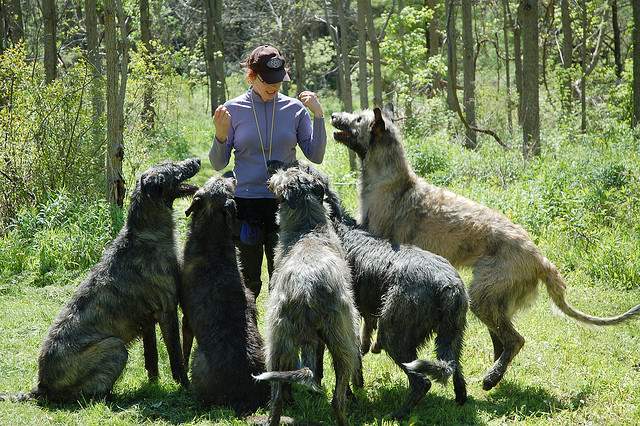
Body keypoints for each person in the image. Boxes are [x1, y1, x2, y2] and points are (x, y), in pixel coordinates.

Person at [209, 44, 326, 299]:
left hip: (285, 204)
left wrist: (318, 116)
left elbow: (315, 155)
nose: (274, 87)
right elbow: (218, 164)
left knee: (284, 278)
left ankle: (281, 336)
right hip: (246, 205)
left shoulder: (295, 110)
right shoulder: (233, 109)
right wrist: (220, 135)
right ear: (252, 76)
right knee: (248, 282)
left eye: (278, 81)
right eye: (267, 81)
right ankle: (248, 336)